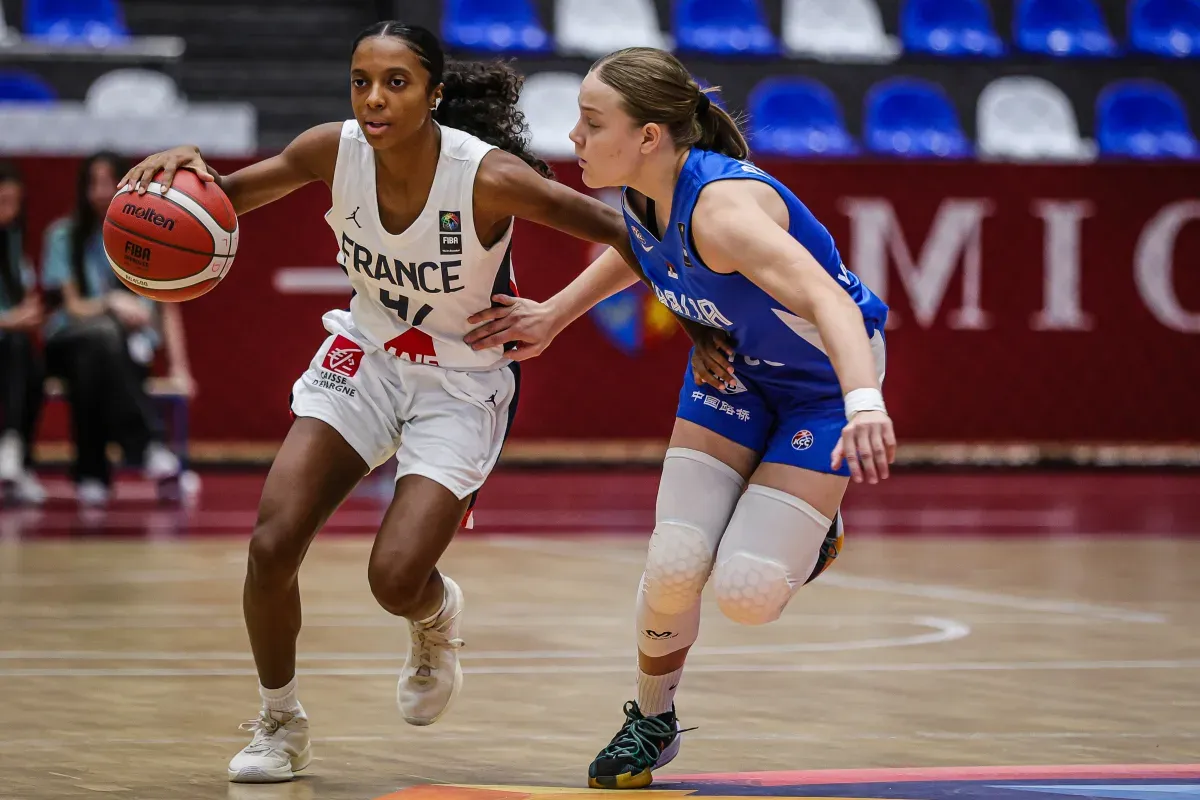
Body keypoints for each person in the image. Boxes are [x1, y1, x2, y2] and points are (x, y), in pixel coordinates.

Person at [120, 23, 714, 785]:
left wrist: (661, 317)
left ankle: (434, 621)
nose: (373, 98)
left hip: (463, 380)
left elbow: (628, 231)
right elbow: (217, 210)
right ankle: (281, 722)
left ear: (433, 94)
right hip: (365, 357)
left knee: (393, 578)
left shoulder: (489, 177)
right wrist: (186, 172)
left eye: (395, 82)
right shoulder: (328, 151)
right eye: (361, 81)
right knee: (271, 545)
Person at [462, 47, 895, 789]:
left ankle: (814, 531)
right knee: (672, 564)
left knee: (748, 595)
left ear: (650, 136)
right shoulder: (641, 190)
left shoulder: (726, 211)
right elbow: (639, 247)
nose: (573, 137)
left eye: (592, 123)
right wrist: (556, 317)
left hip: (822, 389)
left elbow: (828, 301)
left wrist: (864, 405)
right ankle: (651, 720)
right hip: (735, 374)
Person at [40, 151, 193, 505]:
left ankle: (91, 473)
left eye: (107, 182)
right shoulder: (63, 236)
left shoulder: (147, 238)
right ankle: (147, 444)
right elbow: (74, 307)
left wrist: (180, 368)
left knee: (98, 356)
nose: (99, 191)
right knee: (102, 338)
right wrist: (110, 303)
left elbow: (167, 310)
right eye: (92, 183)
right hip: (68, 340)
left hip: (115, 351)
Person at [0, 160, 47, 504]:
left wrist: (27, 314)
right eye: (3, 202)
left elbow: (29, 303)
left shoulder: (15, 247)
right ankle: (11, 446)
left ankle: (17, 455)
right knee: (15, 346)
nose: (9, 210)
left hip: (11, 344)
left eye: (14, 203)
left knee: (32, 364)